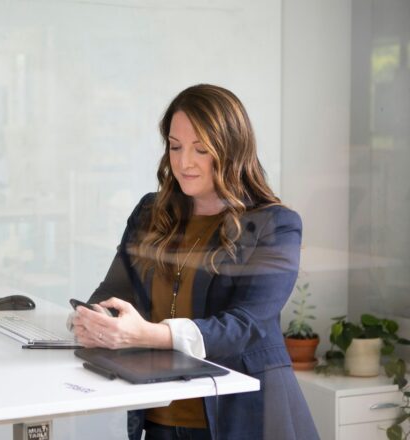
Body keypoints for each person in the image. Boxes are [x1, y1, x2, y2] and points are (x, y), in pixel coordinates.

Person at [71, 84, 319, 440]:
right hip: (159, 418)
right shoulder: (149, 212)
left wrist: (147, 333)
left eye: (201, 149)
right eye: (175, 146)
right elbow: (112, 293)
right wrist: (94, 321)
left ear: (231, 150)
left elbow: (244, 326)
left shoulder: (275, 225)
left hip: (245, 419)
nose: (184, 162)